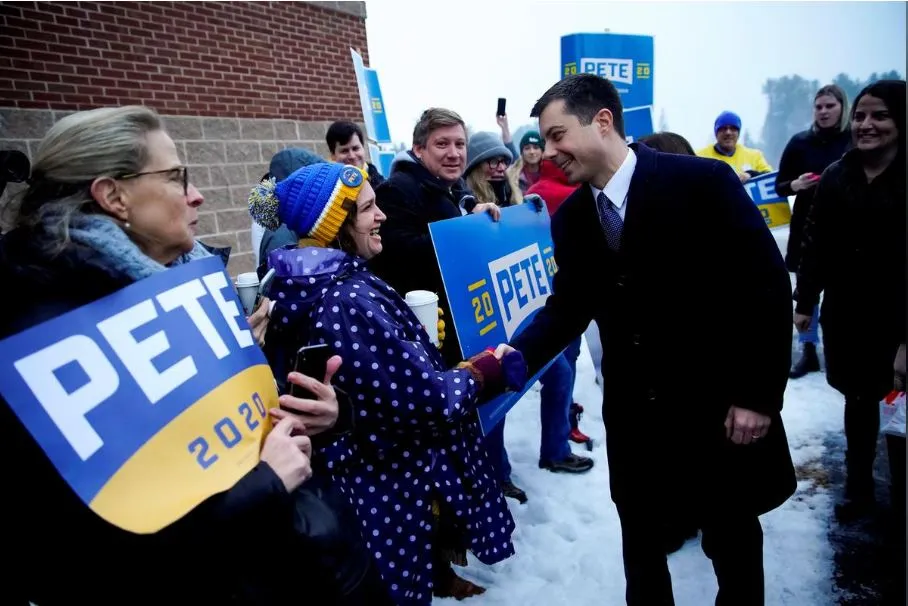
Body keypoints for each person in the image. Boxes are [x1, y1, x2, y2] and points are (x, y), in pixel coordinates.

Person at [0, 106, 377, 605]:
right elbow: (85, 558)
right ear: (113, 196)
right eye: (177, 177)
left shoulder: (186, 279)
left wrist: (320, 415)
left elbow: (227, 435)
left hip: (312, 559)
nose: (196, 195)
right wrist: (264, 485)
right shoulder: (40, 335)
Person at [501, 74, 797, 606]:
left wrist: (756, 396)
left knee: (731, 544)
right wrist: (506, 361)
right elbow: (567, 309)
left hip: (716, 409)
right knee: (641, 550)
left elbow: (766, 288)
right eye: (543, 140)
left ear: (603, 121)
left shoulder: (702, 183)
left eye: (557, 135)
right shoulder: (572, 220)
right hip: (636, 418)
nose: (547, 153)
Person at [250, 161, 526, 605]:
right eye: (367, 209)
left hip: (353, 480)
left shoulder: (303, 282)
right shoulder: (346, 299)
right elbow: (424, 400)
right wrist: (484, 370)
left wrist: (410, 341)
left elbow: (368, 385)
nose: (382, 217)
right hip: (383, 486)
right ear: (335, 222)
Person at [795, 79, 906, 521]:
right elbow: (816, 244)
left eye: (880, 115)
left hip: (899, 318)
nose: (866, 125)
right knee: (858, 404)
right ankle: (859, 490)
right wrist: (805, 301)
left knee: (901, 414)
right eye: (860, 116)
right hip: (849, 315)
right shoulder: (839, 175)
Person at [464, 131, 594, 504]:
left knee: (561, 373)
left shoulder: (515, 195)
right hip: (486, 319)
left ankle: (554, 450)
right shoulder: (467, 202)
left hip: (523, 311)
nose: (499, 166)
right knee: (497, 399)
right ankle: (497, 474)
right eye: (490, 160)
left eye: (503, 160)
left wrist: (530, 217)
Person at [369, 108, 500, 369]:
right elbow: (397, 258)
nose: (454, 153)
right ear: (419, 150)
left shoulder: (458, 190)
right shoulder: (396, 190)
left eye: (460, 144)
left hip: (470, 328)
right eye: (442, 144)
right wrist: (465, 229)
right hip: (432, 344)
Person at [776, 84, 852, 379]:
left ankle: (841, 349)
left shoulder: (853, 141)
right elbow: (780, 184)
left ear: (842, 108)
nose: (823, 112)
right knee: (807, 292)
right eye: (818, 107)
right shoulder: (800, 142)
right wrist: (795, 186)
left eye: (829, 106)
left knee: (841, 291)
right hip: (807, 226)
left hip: (846, 229)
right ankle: (808, 352)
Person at [696, 111, 772, 183]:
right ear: (716, 133)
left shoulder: (755, 156)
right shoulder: (699, 157)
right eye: (723, 128)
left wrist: (750, 174)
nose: (728, 132)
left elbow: (770, 177)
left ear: (738, 133)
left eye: (733, 128)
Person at [326, 120, 386, 188]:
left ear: (363, 148)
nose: (352, 156)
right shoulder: (327, 190)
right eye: (344, 151)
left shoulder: (384, 189)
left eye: (355, 148)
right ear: (332, 155)